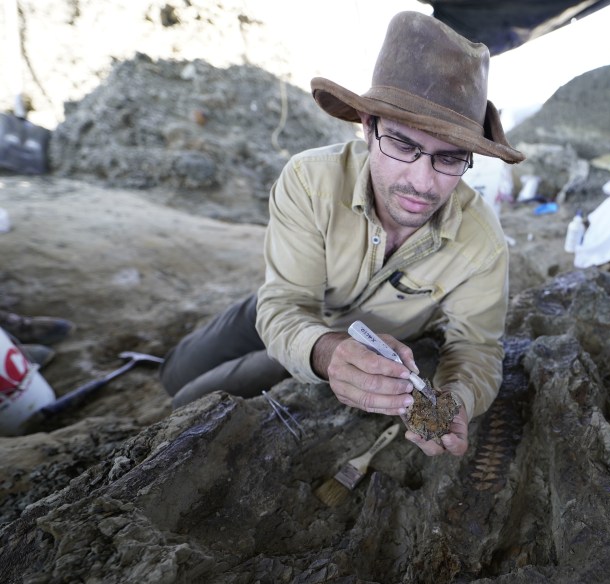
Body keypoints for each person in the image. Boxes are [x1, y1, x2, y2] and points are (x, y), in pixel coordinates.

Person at [160, 11, 524, 457]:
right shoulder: (311, 181)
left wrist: (457, 402)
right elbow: (283, 304)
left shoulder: (482, 242)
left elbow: (476, 348)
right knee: (176, 371)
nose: (423, 182)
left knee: (186, 403)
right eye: (402, 144)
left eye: (449, 159)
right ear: (367, 127)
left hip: (349, 351)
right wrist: (328, 349)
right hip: (290, 304)